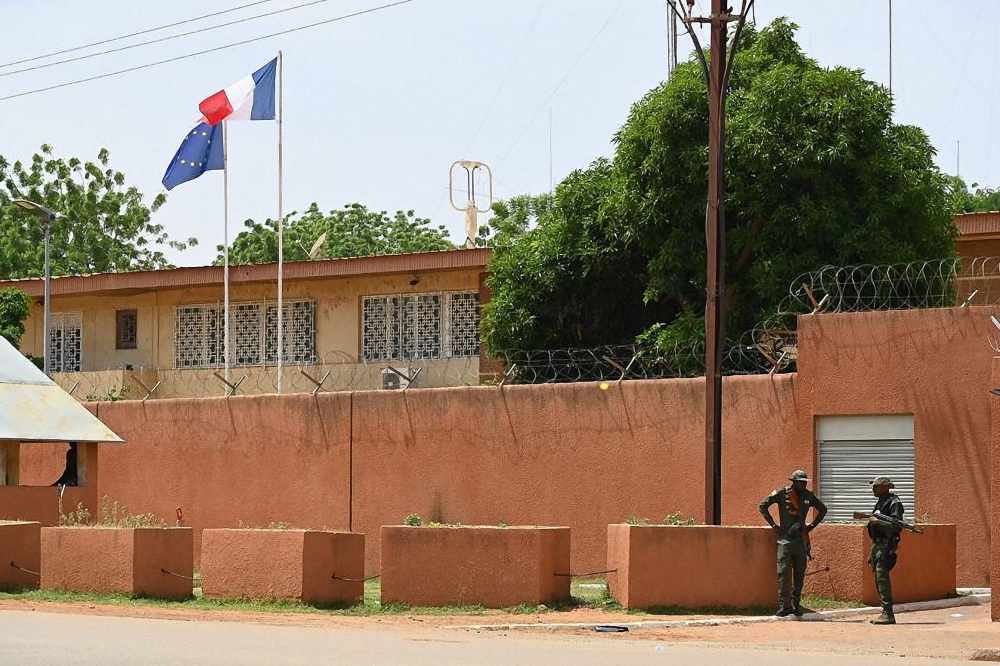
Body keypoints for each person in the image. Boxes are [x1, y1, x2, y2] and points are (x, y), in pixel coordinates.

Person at [759, 470, 828, 617]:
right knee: (783, 574)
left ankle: (796, 606)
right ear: (794, 481)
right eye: (800, 482)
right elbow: (763, 506)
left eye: (804, 482)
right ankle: (784, 606)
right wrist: (773, 525)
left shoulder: (809, 496)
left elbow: (823, 509)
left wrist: (811, 527)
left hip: (800, 541)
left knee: (799, 575)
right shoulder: (782, 494)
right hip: (785, 540)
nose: (803, 484)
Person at [867, 476, 904, 625]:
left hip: (887, 545)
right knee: (877, 577)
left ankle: (888, 612)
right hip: (877, 545)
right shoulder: (881, 502)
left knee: (882, 577)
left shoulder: (894, 503)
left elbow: (897, 526)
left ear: (885, 487)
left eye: (876, 486)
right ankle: (885, 611)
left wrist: (878, 522)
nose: (873, 489)